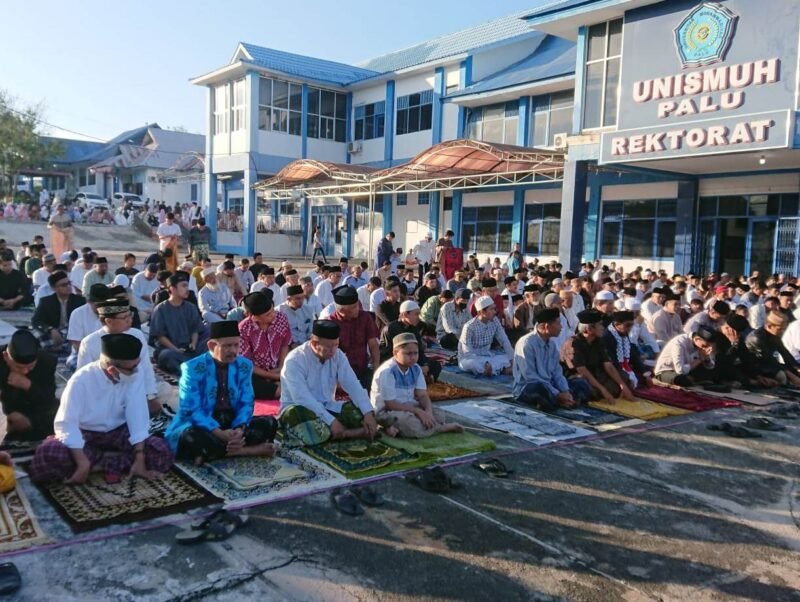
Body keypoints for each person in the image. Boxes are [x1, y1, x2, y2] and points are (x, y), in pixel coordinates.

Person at [29, 333, 173, 484]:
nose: (137, 371)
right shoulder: (81, 381)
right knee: (49, 453)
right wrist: (81, 461)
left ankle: (97, 463)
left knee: (160, 449)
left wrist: (139, 456)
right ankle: (103, 461)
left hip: (118, 432)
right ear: (112, 370)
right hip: (85, 434)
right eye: (132, 368)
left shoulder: (133, 374)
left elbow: (137, 414)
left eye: (137, 365)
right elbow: (66, 424)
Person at [165, 320, 278, 464]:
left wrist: (239, 429)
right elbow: (192, 409)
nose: (233, 351)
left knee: (270, 422)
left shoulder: (244, 365)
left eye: (236, 345)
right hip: (203, 422)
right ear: (212, 346)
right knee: (190, 436)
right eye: (227, 346)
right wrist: (219, 433)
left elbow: (247, 401)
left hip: (231, 420)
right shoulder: (192, 368)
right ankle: (247, 450)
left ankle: (217, 452)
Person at [279, 320, 378, 445]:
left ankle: (343, 433)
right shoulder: (294, 360)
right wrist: (331, 421)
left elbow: (353, 385)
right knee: (304, 422)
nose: (333, 350)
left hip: (327, 406)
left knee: (359, 414)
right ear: (314, 343)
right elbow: (302, 398)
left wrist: (368, 413)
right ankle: (351, 433)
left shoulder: (338, 355)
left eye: (336, 345)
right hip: (300, 409)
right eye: (329, 346)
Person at [76, 298, 161, 416]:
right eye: (124, 317)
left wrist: (151, 396)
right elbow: (85, 378)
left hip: (135, 392)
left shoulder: (136, 335)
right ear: (109, 321)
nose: (130, 320)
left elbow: (146, 367)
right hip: (104, 398)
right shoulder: (90, 343)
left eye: (130, 315)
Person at [371, 333, 463, 438]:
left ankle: (394, 428)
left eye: (415, 353)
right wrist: (418, 412)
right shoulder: (388, 371)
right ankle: (440, 428)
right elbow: (390, 404)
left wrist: (428, 412)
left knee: (439, 414)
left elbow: (422, 395)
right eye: (408, 354)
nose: (413, 357)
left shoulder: (416, 369)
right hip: (387, 411)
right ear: (395, 353)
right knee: (410, 424)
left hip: (409, 407)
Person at [512, 308, 585, 410]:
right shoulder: (526, 344)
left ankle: (566, 400)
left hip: (550, 386)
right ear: (547, 326)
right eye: (558, 324)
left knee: (581, 383)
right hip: (529, 388)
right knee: (538, 389)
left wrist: (565, 391)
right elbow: (530, 377)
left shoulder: (552, 345)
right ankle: (561, 402)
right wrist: (557, 393)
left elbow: (557, 372)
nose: (561, 327)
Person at [563, 310, 636, 403]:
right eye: (600, 325)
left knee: (624, 378)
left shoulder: (598, 341)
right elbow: (582, 371)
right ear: (590, 329)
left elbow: (608, 365)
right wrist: (603, 390)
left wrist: (623, 386)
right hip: (580, 377)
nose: (602, 328)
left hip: (596, 374)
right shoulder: (573, 343)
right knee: (586, 387)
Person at [0, 330, 58, 441]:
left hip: (35, 411)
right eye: (19, 367)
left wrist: (28, 385)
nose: (25, 371)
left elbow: (48, 398)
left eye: (30, 367)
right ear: (6, 356)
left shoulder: (46, 361)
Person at [238, 292, 291, 399]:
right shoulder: (244, 328)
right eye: (267, 315)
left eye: (272, 310)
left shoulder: (281, 318)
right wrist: (273, 375)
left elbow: (285, 345)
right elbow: (246, 363)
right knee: (280, 392)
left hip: (279, 367)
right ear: (254, 317)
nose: (273, 315)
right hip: (256, 373)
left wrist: (281, 368)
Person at [149, 273, 205, 374]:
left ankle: (193, 365)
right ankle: (187, 373)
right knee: (166, 355)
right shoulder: (161, 309)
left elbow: (195, 329)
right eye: (183, 286)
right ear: (172, 289)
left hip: (189, 349)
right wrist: (175, 349)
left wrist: (193, 344)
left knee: (210, 340)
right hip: (170, 349)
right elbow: (160, 336)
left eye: (187, 285)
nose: (187, 289)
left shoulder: (190, 307)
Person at [329, 285, 380, 390]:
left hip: (363, 369)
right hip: (340, 374)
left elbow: (373, 344)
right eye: (353, 307)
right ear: (342, 311)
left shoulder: (365, 317)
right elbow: (328, 354)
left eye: (358, 305)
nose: (358, 309)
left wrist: (376, 368)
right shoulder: (331, 323)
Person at [380, 300, 442, 381]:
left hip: (412, 359)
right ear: (405, 314)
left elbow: (419, 350)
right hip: (398, 362)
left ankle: (422, 378)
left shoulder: (414, 328)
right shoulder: (390, 329)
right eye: (416, 314)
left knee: (435, 365)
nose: (418, 317)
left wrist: (425, 365)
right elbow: (386, 354)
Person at [458, 296, 514, 376]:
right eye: (491, 309)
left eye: (494, 308)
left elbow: (504, 341)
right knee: (472, 364)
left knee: (507, 357)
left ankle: (492, 369)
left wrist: (512, 359)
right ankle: (497, 370)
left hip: (488, 356)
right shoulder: (469, 326)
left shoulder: (495, 321)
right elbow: (467, 353)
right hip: (470, 358)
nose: (495, 312)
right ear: (481, 312)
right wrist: (484, 362)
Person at [745, 311, 800, 387]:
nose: (782, 332)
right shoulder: (757, 338)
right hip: (755, 367)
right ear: (770, 326)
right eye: (780, 329)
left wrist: (797, 368)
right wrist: (792, 376)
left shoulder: (774, 335)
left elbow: (785, 353)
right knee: (782, 377)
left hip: (768, 364)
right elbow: (769, 359)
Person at [32, 271, 85, 349]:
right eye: (64, 285)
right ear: (54, 288)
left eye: (69, 283)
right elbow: (35, 321)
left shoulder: (80, 301)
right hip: (54, 331)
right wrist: (50, 329)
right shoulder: (46, 301)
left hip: (73, 331)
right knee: (35, 335)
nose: (68, 286)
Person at [604, 310, 653, 390]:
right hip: (613, 369)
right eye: (628, 325)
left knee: (647, 373)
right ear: (617, 324)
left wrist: (645, 373)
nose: (630, 328)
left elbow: (632, 354)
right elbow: (612, 362)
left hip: (625, 366)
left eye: (631, 325)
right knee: (626, 382)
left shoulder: (623, 332)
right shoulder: (606, 337)